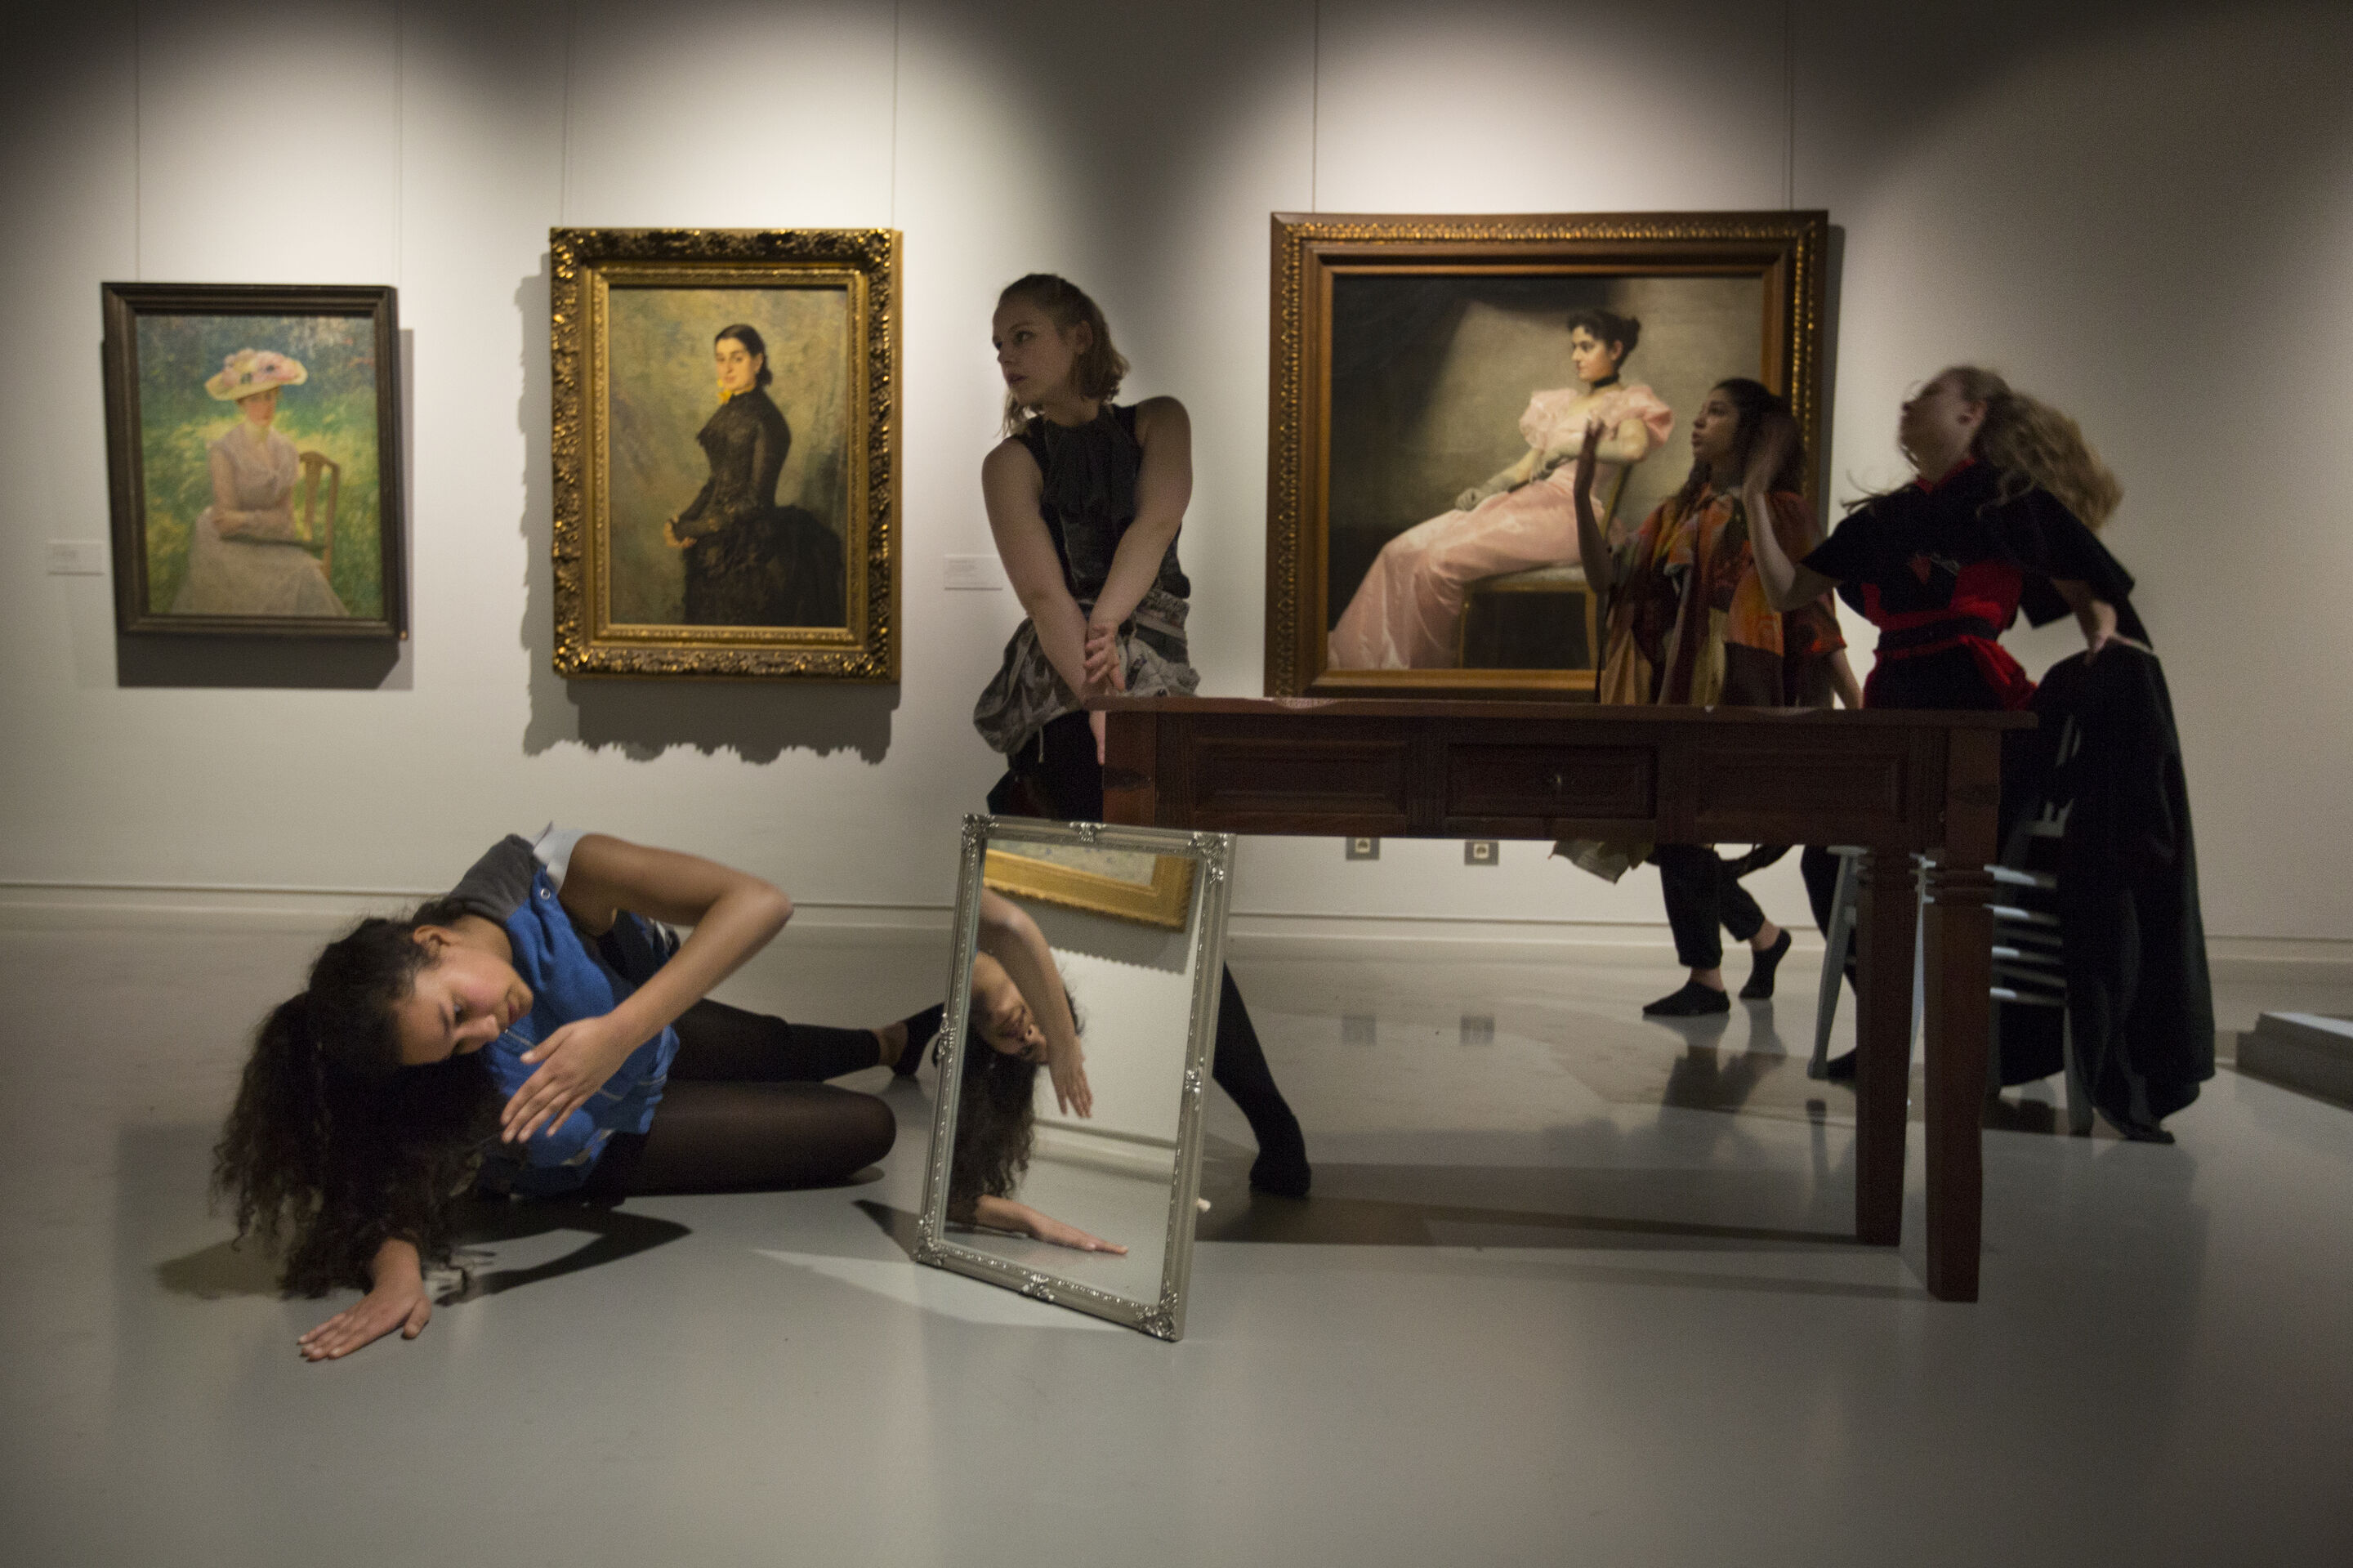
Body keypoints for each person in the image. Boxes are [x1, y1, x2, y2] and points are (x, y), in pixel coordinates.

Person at [217, 828, 922, 1361]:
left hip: (640, 1028)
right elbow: (391, 1172)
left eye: (459, 1010)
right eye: (459, 1042)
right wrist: (397, 1275)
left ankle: (891, 1041)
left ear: (432, 940)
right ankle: (887, 1044)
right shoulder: (432, 1054)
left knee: (770, 1043)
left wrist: (616, 1035)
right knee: (866, 1128)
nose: (486, 1031)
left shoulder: (547, 878)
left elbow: (763, 902)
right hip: (610, 1142)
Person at [971, 272, 1312, 1198]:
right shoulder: (1012, 463)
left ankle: (1266, 1119)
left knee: (1155, 903)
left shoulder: (1159, 422)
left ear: (1080, 335)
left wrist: (1111, 627)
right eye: (998, 342)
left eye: (1023, 335)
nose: (1006, 356)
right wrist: (1094, 688)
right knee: (1089, 899)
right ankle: (1253, 1124)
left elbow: (1158, 520)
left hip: (1148, 679)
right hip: (1064, 694)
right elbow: (1041, 592)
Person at [1744, 364, 2152, 1088]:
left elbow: (2087, 591)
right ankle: (1886, 1024)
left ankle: (1978, 1039)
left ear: (1973, 413)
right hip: (1895, 709)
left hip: (1978, 705)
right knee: (1829, 862)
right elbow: (1785, 591)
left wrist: (2104, 647)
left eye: (1930, 392)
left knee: (1971, 862)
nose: (1910, 402)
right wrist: (1752, 496)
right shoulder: (1883, 519)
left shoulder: (2008, 499)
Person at [1562, 378, 1856, 1017]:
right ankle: (1748, 947)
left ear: (1751, 430)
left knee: (1682, 831)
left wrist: (1857, 709)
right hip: (1675, 695)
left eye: (1716, 411)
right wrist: (1581, 497)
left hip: (1745, 692)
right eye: (1699, 412)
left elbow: (1816, 620)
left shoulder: (1782, 512)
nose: (1699, 422)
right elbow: (1604, 576)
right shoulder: (1675, 514)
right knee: (1673, 829)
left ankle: (1720, 968)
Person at [1327, 308, 1673, 669]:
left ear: (1615, 350)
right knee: (1397, 551)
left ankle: (1423, 670)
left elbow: (1633, 449)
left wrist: (1572, 447)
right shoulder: (1564, 404)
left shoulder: (1627, 403)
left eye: (1586, 347)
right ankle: (1370, 662)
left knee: (1439, 561)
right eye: (1574, 347)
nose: (1575, 357)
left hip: (1571, 516)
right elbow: (1525, 468)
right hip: (1528, 503)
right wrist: (1486, 489)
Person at [663, 324, 845, 628]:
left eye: (737, 358)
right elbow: (716, 480)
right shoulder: (729, 409)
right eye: (721, 359)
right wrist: (681, 521)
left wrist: (694, 527)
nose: (727, 368)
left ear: (758, 362)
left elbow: (754, 501)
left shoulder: (767, 421)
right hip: (713, 543)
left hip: (751, 551)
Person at [171, 348, 346, 618]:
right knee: (290, 576)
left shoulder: (285, 448)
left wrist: (247, 519)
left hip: (268, 542)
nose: (265, 406)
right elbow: (226, 522)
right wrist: (263, 520)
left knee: (306, 573)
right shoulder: (224, 451)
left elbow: (286, 522)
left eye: (269, 397)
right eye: (254, 399)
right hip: (225, 546)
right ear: (240, 403)